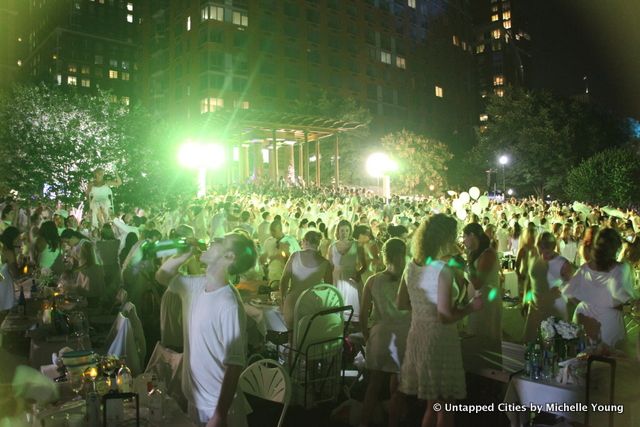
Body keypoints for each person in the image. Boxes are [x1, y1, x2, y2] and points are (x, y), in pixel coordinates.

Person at [156, 231, 258, 427]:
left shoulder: (228, 303)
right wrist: (184, 255)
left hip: (218, 407)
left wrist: (220, 414)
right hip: (196, 401)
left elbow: (234, 364)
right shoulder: (195, 285)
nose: (210, 241)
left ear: (229, 257)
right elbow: (162, 276)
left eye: (218, 241)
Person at [397, 214, 483, 427]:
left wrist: (423, 309)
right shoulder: (440, 271)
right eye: (453, 236)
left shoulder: (411, 267)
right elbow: (445, 316)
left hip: (418, 335)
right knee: (445, 409)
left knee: (432, 406)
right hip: (439, 341)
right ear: (444, 238)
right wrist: (472, 307)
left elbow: (401, 302)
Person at [359, 238, 410, 427]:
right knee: (397, 386)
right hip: (403, 337)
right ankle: (393, 422)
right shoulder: (409, 282)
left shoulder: (372, 281)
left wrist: (366, 337)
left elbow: (363, 315)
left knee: (374, 385)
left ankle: (364, 423)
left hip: (380, 337)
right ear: (401, 256)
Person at [564, 228, 636, 348]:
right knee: (609, 360)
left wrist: (588, 304)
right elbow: (627, 300)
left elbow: (568, 293)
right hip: (608, 323)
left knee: (584, 358)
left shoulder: (584, 268)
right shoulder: (621, 269)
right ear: (615, 249)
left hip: (584, 318)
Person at [462, 222, 502, 371]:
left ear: (473, 236)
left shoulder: (488, 254)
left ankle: (488, 371)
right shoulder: (476, 253)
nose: (464, 241)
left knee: (485, 334)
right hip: (476, 300)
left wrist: (464, 266)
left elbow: (478, 282)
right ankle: (478, 369)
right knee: (476, 334)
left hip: (486, 301)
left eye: (465, 237)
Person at [279, 230, 333, 329]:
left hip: (292, 303)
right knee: (309, 337)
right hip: (313, 304)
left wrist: (282, 300)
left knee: (293, 335)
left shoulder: (295, 256)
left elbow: (284, 280)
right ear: (318, 244)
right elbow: (329, 289)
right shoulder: (325, 263)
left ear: (305, 241)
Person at [328, 220, 365, 322]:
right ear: (338, 231)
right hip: (337, 280)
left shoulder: (357, 245)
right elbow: (329, 266)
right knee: (337, 313)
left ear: (350, 232)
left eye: (347, 230)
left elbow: (364, 265)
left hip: (351, 280)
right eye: (342, 230)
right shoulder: (332, 247)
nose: (344, 233)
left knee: (352, 312)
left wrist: (358, 274)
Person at [0, 227, 21, 319]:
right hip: (4, 285)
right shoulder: (8, 252)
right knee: (5, 312)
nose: (19, 241)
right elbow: (15, 273)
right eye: (18, 238)